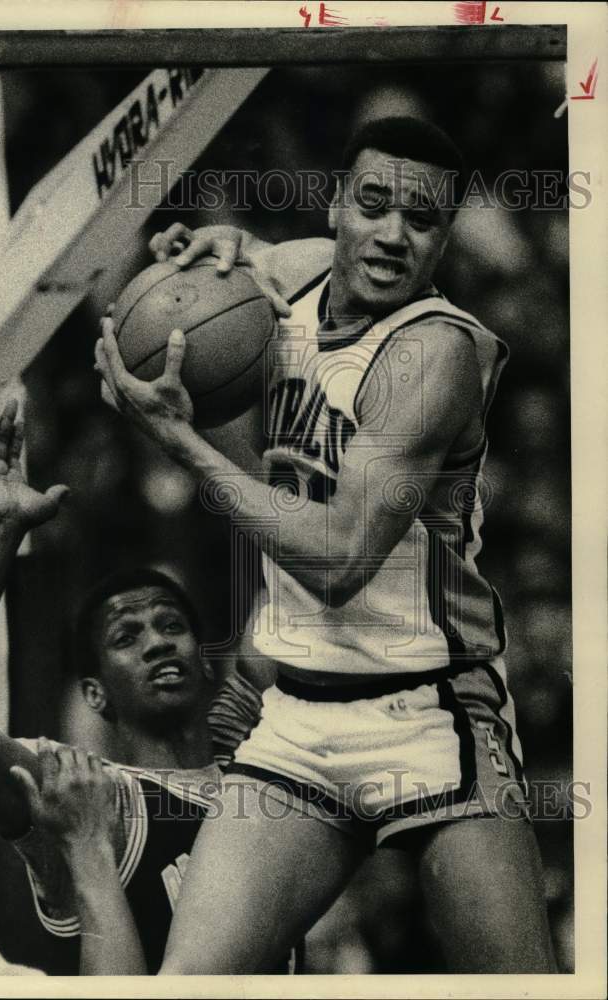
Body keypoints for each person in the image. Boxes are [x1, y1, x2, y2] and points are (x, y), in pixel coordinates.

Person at [93, 116, 557, 973]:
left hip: (428, 712)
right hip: (299, 718)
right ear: (338, 203)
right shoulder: (296, 275)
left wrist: (182, 442)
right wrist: (199, 256)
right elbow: (243, 260)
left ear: (446, 237)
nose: (391, 234)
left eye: (421, 219)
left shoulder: (434, 355)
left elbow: (340, 561)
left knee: (523, 987)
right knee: (184, 985)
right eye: (373, 203)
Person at [0, 398, 279, 974]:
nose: (157, 642)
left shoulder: (267, 767)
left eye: (171, 626)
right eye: (128, 637)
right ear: (95, 695)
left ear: (206, 663)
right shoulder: (94, 797)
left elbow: (304, 584)